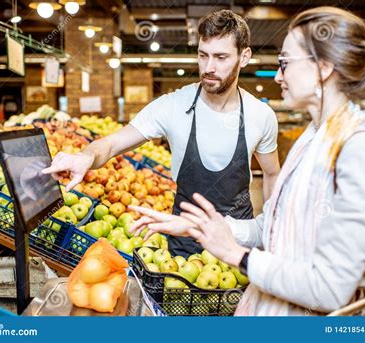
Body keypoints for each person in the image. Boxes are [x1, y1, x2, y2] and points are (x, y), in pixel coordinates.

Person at [129, 6, 365, 315]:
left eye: (285, 63)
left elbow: (330, 289)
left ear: (324, 67)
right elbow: (274, 226)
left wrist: (239, 256)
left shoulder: (362, 153)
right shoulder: (314, 140)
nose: (277, 75)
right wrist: (198, 226)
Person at [43, 10, 280, 258]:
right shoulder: (173, 106)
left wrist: (273, 233)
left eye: (221, 57)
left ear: (244, 57)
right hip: (184, 246)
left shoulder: (260, 115)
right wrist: (86, 157)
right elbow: (112, 144)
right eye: (203, 55)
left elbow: (272, 173)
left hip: (238, 242)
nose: (209, 67)